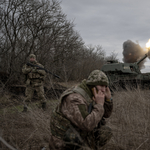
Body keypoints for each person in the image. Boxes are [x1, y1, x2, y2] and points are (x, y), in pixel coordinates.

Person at [50, 70, 113, 150]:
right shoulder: (75, 98)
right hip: (65, 141)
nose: (104, 90)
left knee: (105, 131)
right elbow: (87, 125)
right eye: (101, 85)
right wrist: (99, 105)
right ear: (92, 86)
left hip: (80, 133)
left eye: (105, 86)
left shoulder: (92, 93)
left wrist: (108, 99)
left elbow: (106, 114)